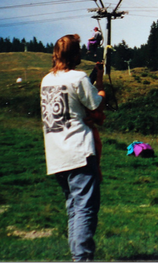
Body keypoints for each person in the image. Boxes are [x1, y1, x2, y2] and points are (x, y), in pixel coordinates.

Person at [41, 34, 105, 262]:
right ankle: (82, 259)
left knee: (73, 209)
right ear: (76, 55)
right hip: (79, 151)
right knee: (86, 210)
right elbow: (95, 104)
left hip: (56, 155)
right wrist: (101, 86)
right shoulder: (79, 78)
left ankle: (77, 257)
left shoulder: (46, 80)